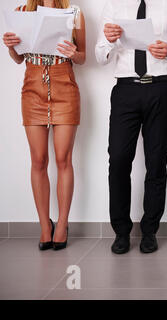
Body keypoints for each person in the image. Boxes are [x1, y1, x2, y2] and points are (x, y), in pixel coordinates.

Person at [95, 0, 167, 254]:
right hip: (125, 89)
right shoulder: (114, 6)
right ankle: (121, 231)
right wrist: (111, 39)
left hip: (160, 88)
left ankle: (150, 231)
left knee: (156, 161)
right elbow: (99, 56)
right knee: (118, 160)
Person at [2, 0, 85, 251]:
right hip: (33, 87)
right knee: (38, 160)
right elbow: (18, 58)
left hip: (64, 85)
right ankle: (44, 226)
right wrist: (10, 47)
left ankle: (62, 224)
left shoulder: (75, 13)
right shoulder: (21, 12)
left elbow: (82, 57)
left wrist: (73, 53)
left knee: (63, 159)